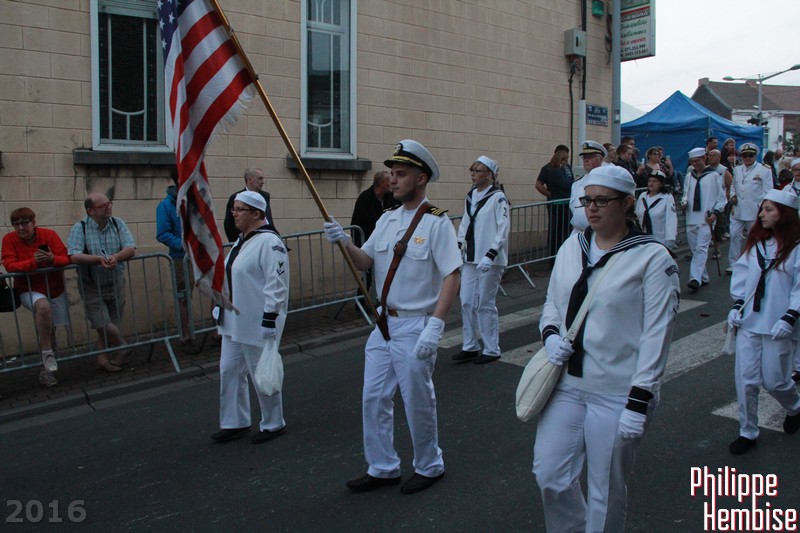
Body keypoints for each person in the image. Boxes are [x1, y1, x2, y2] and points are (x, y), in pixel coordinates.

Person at [534, 165, 680, 533]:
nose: (591, 208)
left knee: (606, 489)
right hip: (567, 384)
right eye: (587, 201)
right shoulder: (573, 245)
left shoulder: (652, 257)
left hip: (617, 390)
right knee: (550, 475)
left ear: (627, 203)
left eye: (602, 201)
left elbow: (657, 334)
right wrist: (550, 335)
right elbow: (553, 300)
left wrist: (639, 400)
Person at [323, 139, 461, 495]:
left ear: (421, 178)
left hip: (416, 323)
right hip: (384, 324)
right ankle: (382, 466)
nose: (393, 180)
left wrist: (436, 325)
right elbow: (365, 262)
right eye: (393, 174)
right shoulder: (387, 219)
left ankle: (429, 465)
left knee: (417, 399)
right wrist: (344, 242)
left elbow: (452, 275)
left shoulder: (437, 223)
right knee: (373, 397)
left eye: (401, 174)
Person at [211, 190, 290, 445]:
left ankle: (273, 422)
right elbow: (232, 275)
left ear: (256, 214)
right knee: (229, 369)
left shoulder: (269, 242)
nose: (233, 214)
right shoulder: (242, 240)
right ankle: (235, 421)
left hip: (257, 319)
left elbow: (276, 284)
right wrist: (220, 306)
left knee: (261, 371)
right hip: (233, 319)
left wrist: (270, 318)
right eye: (233, 209)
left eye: (239, 209)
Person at [726, 189, 800, 455]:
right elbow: (742, 279)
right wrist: (737, 306)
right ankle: (747, 431)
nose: (762, 215)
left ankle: (795, 407)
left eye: (769, 210)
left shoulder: (796, 248)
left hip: (778, 326)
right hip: (749, 323)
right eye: (762, 210)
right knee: (745, 380)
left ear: (784, 214)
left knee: (776, 381)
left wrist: (790, 317)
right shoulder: (756, 244)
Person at [1, 208, 71, 387]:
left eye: (25, 223)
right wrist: (34, 263)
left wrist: (52, 259)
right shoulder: (9, 239)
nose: (21, 228)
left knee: (50, 329)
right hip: (28, 289)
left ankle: (46, 371)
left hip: (54, 288)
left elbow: (66, 258)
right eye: (16, 224)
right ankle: (47, 353)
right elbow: (10, 265)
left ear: (34, 222)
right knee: (43, 307)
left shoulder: (49, 235)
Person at [67, 194, 136, 373]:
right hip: (91, 284)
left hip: (115, 281)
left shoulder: (117, 223)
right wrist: (98, 260)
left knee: (113, 323)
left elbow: (130, 247)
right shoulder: (80, 228)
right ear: (90, 210)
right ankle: (123, 346)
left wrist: (117, 257)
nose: (108, 207)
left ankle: (104, 359)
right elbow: (74, 255)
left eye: (109, 203)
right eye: (102, 205)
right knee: (102, 322)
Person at [453, 156, 509, 365]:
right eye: (472, 170)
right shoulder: (470, 196)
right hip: (470, 257)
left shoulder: (498, 197)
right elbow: (465, 223)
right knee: (466, 300)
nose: (473, 174)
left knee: (485, 303)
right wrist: (459, 245)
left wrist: (492, 253)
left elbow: (503, 228)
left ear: (490, 175)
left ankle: (492, 348)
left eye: (478, 171)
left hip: (489, 259)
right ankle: (470, 345)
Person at [156, 169, 199, 355]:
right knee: (184, 296)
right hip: (181, 257)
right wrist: (184, 245)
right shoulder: (166, 205)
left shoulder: (195, 200)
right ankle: (185, 336)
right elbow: (163, 233)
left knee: (215, 287)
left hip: (200, 254)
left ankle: (217, 331)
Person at [680, 148, 726, 292]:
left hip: (706, 218)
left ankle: (694, 279)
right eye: (692, 162)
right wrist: (684, 203)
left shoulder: (714, 175)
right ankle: (703, 277)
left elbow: (722, 199)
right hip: (691, 218)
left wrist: (715, 214)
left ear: (704, 158)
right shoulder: (689, 176)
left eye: (697, 161)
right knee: (695, 250)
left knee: (701, 248)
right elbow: (685, 194)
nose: (695, 164)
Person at [727, 143, 773, 275]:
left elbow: (768, 192)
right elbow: (733, 186)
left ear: (755, 156)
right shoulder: (737, 169)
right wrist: (732, 196)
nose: (747, 158)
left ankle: (753, 262)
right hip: (738, 209)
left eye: (750, 155)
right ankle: (733, 263)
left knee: (754, 238)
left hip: (754, 210)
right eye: (745, 156)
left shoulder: (764, 170)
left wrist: (762, 208)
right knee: (734, 235)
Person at [535, 144, 574, 257]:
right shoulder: (549, 169)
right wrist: (551, 195)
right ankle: (554, 255)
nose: (566, 161)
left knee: (566, 230)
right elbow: (538, 185)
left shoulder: (566, 167)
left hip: (566, 203)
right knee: (556, 230)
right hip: (557, 204)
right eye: (565, 158)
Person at [223, 167, 278, 243]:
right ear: (249, 180)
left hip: (267, 238)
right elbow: (229, 224)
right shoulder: (236, 197)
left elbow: (268, 218)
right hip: (246, 241)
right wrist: (237, 243)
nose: (262, 182)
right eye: (260, 179)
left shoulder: (265, 196)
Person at [569, 141, 607, 234]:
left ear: (601, 159)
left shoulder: (607, 182)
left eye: (590, 157)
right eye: (584, 157)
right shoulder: (577, 184)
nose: (586, 160)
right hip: (578, 232)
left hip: (599, 233)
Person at [351, 171, 396, 247]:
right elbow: (372, 223)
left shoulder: (389, 196)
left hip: (381, 237)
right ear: (381, 183)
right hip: (365, 238)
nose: (392, 183)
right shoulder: (365, 198)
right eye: (389, 181)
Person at [635, 171, 677, 250]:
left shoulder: (667, 197)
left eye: (655, 181)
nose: (651, 184)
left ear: (661, 184)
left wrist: (670, 239)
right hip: (643, 241)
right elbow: (636, 216)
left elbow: (671, 219)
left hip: (660, 241)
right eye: (649, 181)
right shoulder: (642, 196)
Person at [707, 149, 733, 259]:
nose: (711, 157)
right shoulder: (706, 170)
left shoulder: (723, 170)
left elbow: (730, 184)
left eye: (714, 156)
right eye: (710, 155)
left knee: (718, 227)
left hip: (719, 202)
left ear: (719, 157)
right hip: (708, 202)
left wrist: (727, 197)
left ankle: (717, 249)